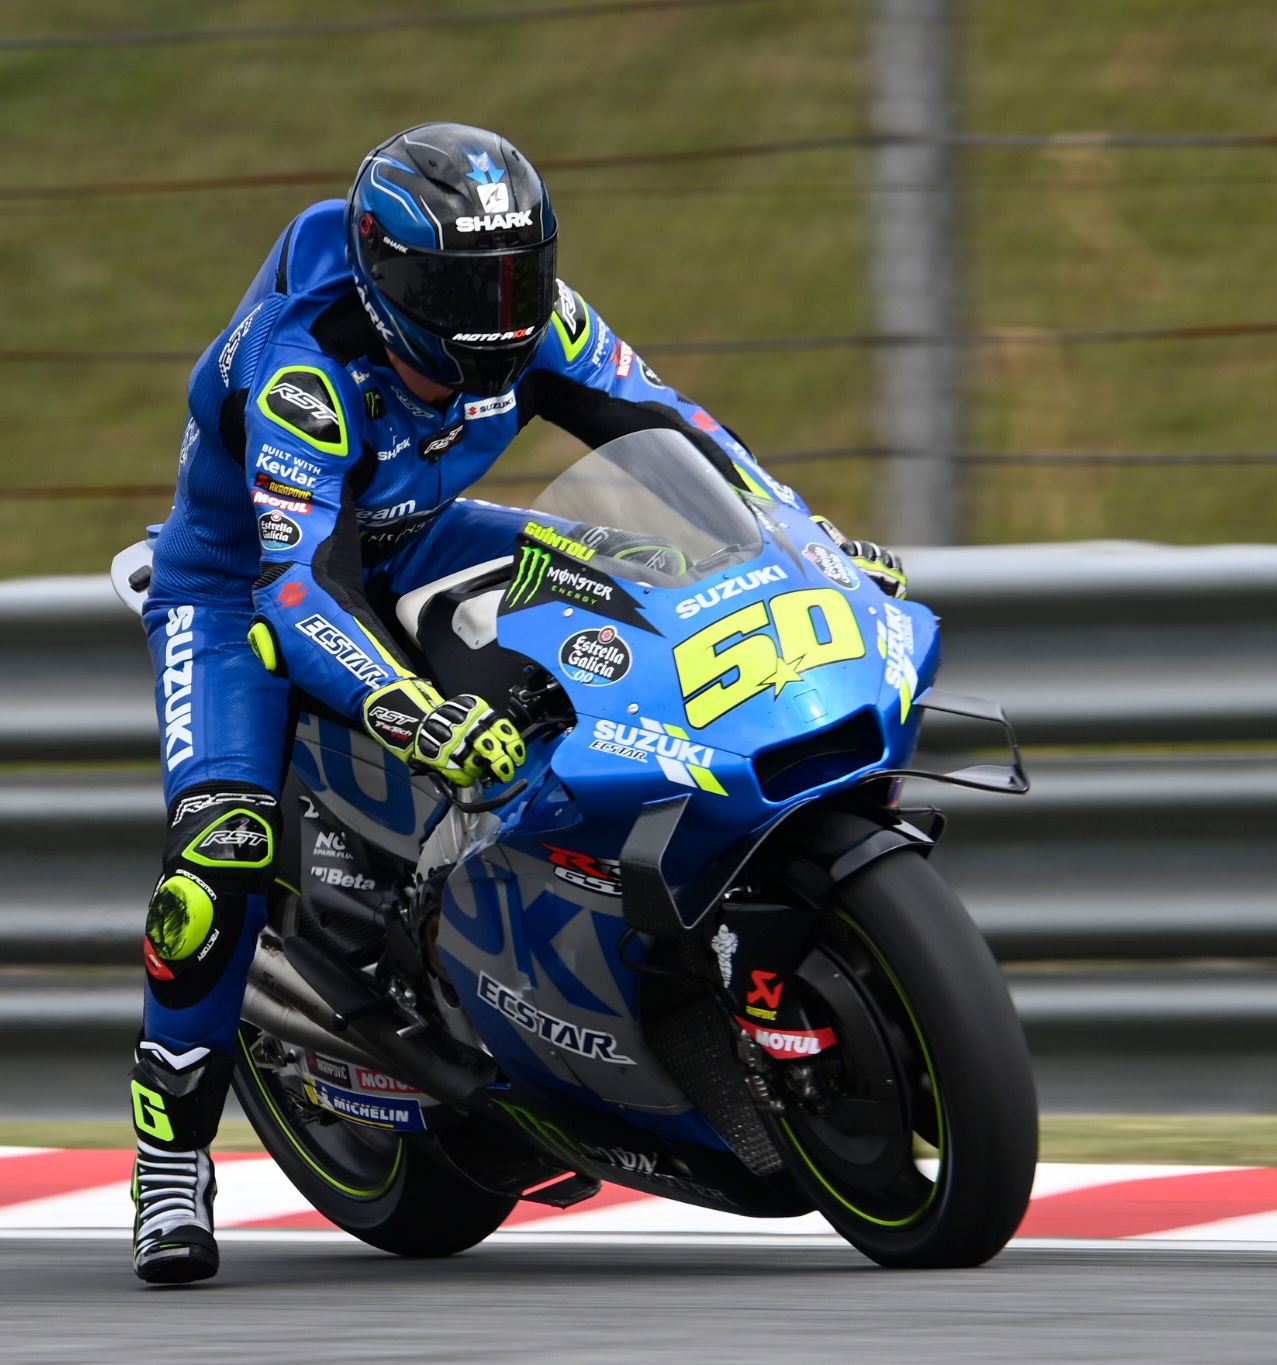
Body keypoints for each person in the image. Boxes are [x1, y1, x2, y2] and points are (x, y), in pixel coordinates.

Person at [130, 121, 909, 1284]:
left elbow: (675, 431)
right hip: (240, 589)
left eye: (517, 273)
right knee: (223, 852)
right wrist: (410, 711)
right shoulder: (305, 370)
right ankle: (168, 1162)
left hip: (419, 537)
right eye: (460, 285)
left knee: (646, 590)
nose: (496, 309)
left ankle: (581, 939)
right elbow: (298, 589)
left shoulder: (541, 317)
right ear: (388, 274)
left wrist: (811, 544)